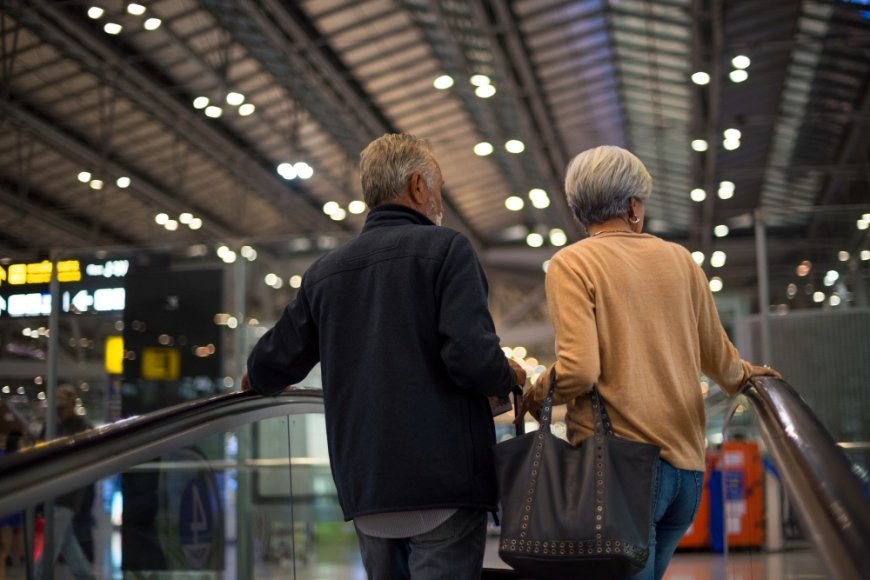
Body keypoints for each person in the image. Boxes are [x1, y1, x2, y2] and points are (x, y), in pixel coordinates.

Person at [246, 133, 526, 579]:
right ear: (417, 185)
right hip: (443, 484)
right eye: (438, 188)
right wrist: (507, 375)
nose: (440, 201)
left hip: (367, 489)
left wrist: (256, 380)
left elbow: (267, 365)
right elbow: (472, 361)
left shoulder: (324, 273)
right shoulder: (447, 249)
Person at [520, 145, 780, 580]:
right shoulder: (680, 260)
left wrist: (537, 393)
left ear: (580, 210)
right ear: (633, 207)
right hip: (687, 473)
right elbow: (722, 363)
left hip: (620, 472)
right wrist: (749, 375)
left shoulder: (572, 263)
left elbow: (579, 369)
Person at [36, 384, 96, 580]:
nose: (59, 408)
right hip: (52, 488)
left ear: (72, 403)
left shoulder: (82, 427)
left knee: (53, 540)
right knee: (67, 540)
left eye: (62, 402)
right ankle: (86, 576)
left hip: (69, 490)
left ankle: (37, 575)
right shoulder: (51, 425)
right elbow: (39, 451)